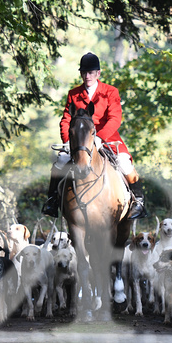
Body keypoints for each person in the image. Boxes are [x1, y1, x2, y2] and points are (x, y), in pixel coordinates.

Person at [42, 52, 148, 220]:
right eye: (84, 72)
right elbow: (66, 120)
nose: (87, 76)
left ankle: (138, 202)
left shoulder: (110, 92)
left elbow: (115, 118)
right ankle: (52, 200)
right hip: (79, 141)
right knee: (61, 161)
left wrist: (100, 137)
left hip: (106, 139)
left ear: (98, 73)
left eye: (91, 72)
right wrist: (68, 141)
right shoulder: (73, 94)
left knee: (123, 162)